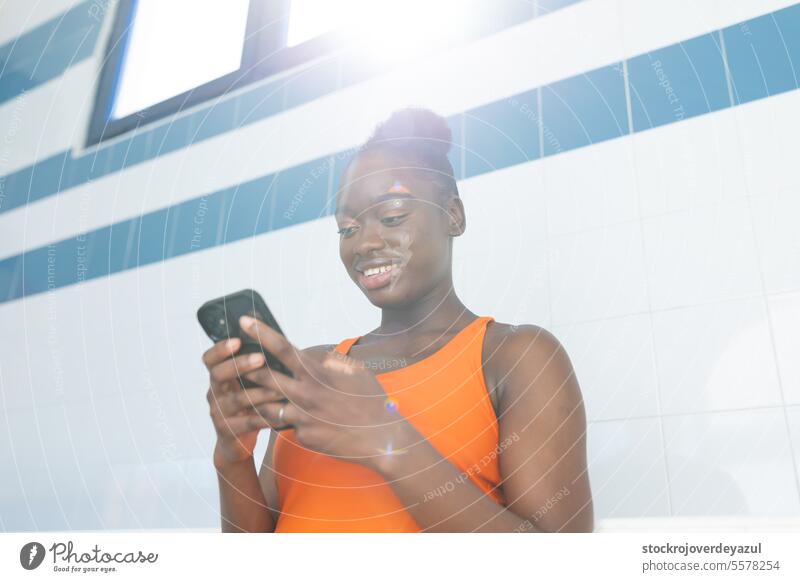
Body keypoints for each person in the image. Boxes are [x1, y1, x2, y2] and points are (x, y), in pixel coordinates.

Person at [203, 107, 594, 532]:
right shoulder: (314, 374)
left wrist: (386, 440)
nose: (365, 242)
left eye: (391, 216)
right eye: (347, 228)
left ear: (453, 216)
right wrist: (232, 457)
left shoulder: (514, 358)